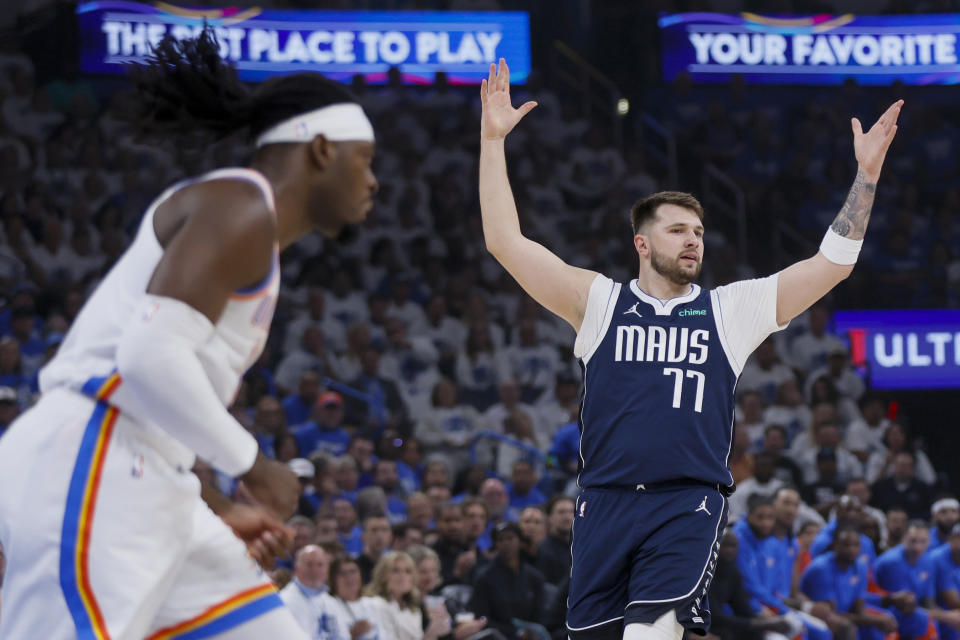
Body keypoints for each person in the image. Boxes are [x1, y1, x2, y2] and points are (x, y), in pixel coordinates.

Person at [478, 57, 902, 640]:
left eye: (699, 231)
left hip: (686, 506)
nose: (693, 240)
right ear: (642, 243)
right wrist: (492, 140)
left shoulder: (729, 310)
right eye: (678, 230)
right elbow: (504, 242)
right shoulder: (599, 302)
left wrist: (867, 176)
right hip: (602, 503)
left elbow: (832, 265)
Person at [0, 28, 378, 640]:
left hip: (152, 475)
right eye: (366, 159)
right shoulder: (241, 205)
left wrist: (217, 502)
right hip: (88, 455)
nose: (374, 181)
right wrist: (253, 466)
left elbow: (159, 399)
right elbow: (147, 358)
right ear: (320, 150)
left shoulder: (249, 229)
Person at [800, 526, 898, 640]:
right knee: (847, 627)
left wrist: (877, 620)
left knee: (883, 622)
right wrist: (875, 620)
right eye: (846, 545)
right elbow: (829, 613)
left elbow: (858, 609)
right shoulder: (821, 568)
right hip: (817, 616)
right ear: (835, 545)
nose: (852, 549)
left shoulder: (860, 566)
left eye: (856, 545)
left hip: (845, 615)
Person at [366, 551, 451, 640]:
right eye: (396, 570)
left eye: (408, 571)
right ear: (383, 575)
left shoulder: (413, 608)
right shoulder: (376, 604)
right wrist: (431, 634)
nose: (403, 576)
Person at [280, 545, 342, 638]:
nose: (315, 570)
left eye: (320, 565)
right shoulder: (285, 601)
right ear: (296, 568)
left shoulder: (331, 602)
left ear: (327, 570)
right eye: (309, 564)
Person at [328, 555, 381, 640]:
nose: (349, 578)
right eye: (343, 573)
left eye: (353, 571)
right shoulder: (329, 605)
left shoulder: (372, 604)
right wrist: (352, 634)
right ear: (333, 579)